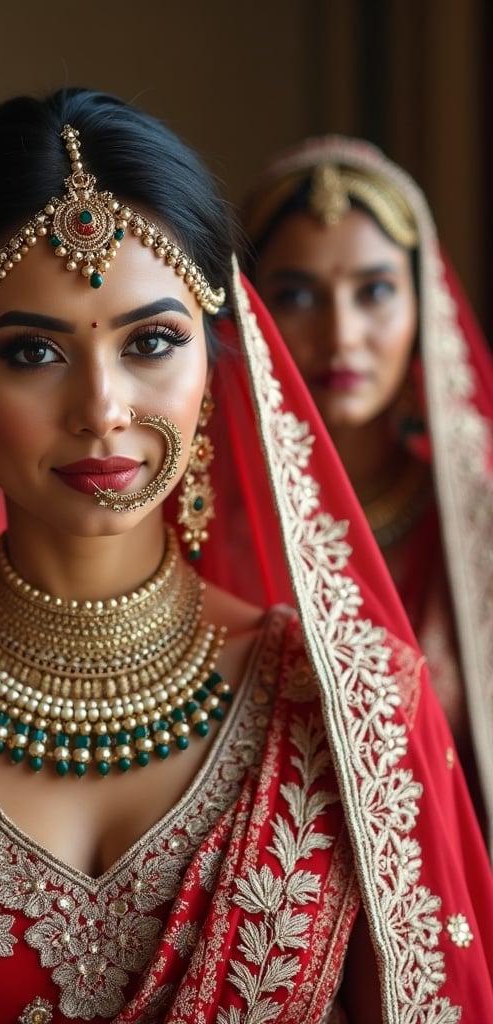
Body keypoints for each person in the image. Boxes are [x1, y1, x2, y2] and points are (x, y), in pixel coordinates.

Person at [0, 91, 491, 1023]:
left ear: (215, 366)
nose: (104, 408)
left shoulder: (358, 711)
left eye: (153, 342)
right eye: (32, 353)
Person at [242, 137, 493, 849]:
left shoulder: (472, 522)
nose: (341, 334)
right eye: (296, 296)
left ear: (425, 306)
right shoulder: (214, 520)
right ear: (250, 311)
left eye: (375, 291)